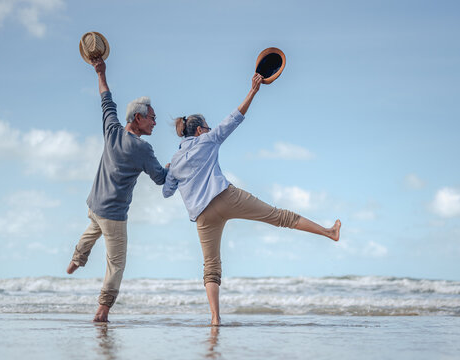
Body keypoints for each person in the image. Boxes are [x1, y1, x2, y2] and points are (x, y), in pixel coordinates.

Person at [162, 73, 341, 325]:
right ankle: (328, 232)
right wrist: (253, 91)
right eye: (208, 127)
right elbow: (235, 118)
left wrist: (168, 168)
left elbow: (167, 191)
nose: (211, 129)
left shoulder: (176, 160)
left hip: (202, 215)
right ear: (201, 130)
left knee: (210, 267)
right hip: (225, 197)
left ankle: (215, 318)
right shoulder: (208, 139)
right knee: (280, 216)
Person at [66, 57, 169, 322]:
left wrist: (100, 72)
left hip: (95, 204)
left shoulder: (111, 129)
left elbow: (106, 100)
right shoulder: (143, 149)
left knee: (92, 229)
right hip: (114, 215)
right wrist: (172, 167)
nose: (155, 123)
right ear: (138, 117)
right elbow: (160, 179)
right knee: (117, 264)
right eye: (153, 118)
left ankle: (77, 258)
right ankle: (102, 310)